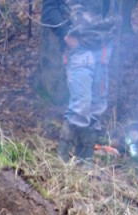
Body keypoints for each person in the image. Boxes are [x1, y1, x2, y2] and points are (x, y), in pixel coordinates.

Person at [43, 0, 119, 161]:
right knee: (80, 107)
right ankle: (60, 164)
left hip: (104, 46)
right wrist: (65, 34)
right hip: (79, 47)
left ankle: (84, 165)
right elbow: (49, 9)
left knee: (97, 107)